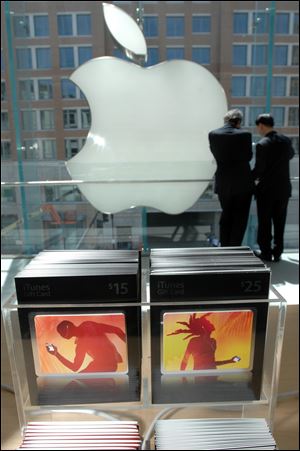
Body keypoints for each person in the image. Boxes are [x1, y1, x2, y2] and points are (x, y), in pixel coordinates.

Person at [208, 109, 254, 246]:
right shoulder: (245, 134)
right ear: (239, 121)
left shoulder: (213, 134)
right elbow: (248, 156)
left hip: (223, 183)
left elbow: (215, 154)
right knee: (240, 217)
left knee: (226, 214)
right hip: (243, 183)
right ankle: (235, 246)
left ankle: (225, 246)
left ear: (225, 120)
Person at [253, 114, 295, 262]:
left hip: (266, 190)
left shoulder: (262, 144)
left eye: (258, 127)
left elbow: (259, 169)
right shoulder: (285, 140)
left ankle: (265, 252)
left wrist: (249, 179)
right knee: (280, 221)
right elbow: (290, 155)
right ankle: (277, 252)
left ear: (261, 126)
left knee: (265, 222)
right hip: (283, 189)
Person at [46, 320, 126, 373]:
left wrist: (132, 345)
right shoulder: (80, 345)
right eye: (61, 334)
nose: (63, 335)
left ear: (70, 325)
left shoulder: (89, 326)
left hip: (109, 365)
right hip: (99, 366)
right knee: (76, 381)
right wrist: (56, 354)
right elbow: (75, 367)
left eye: (63, 331)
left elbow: (117, 330)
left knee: (77, 381)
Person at [167, 313, 240, 370]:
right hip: (199, 377)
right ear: (204, 328)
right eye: (208, 322)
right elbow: (185, 361)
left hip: (212, 375)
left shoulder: (213, 341)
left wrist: (230, 361)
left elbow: (211, 363)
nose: (210, 323)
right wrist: (182, 377)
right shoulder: (194, 341)